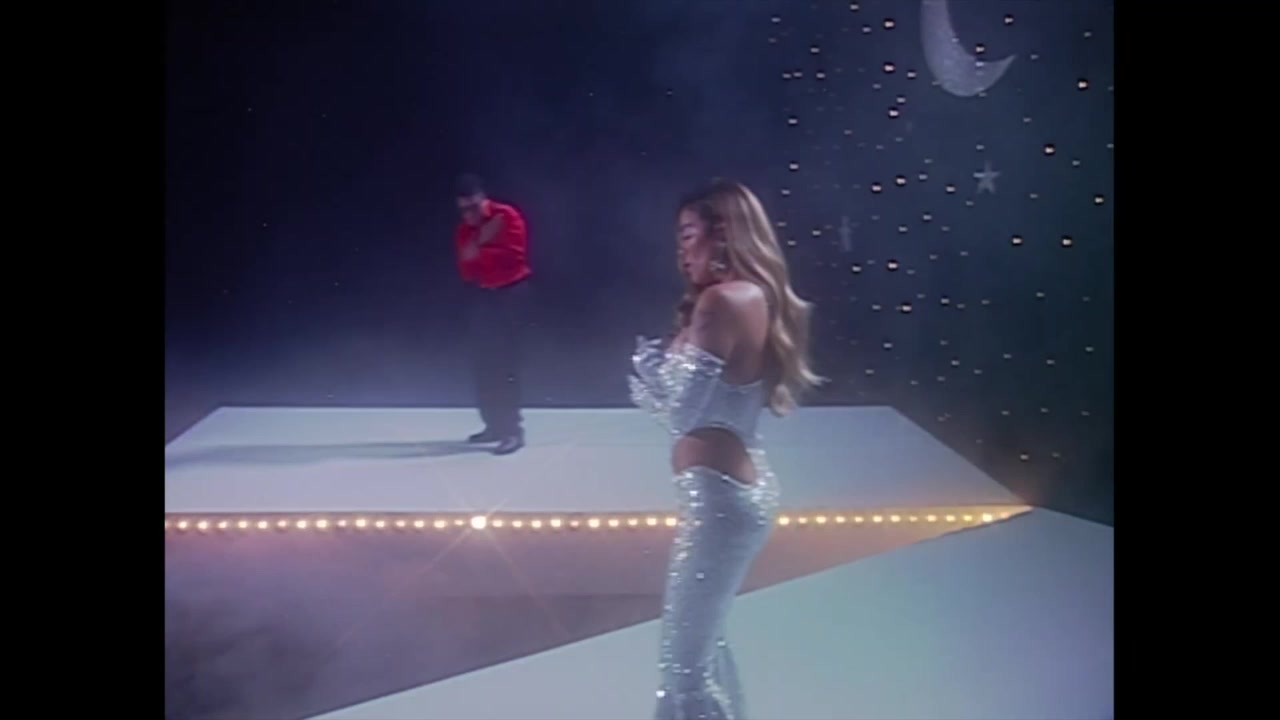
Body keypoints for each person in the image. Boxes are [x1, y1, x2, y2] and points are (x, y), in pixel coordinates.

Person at [630, 180, 822, 718]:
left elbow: (682, 414)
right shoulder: (752, 296)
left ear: (723, 233)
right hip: (732, 493)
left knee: (683, 670)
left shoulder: (721, 302)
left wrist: (647, 375)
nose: (681, 250)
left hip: (720, 505)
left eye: (688, 234)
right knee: (702, 647)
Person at [454, 173, 532, 455]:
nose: (469, 214)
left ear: (482, 199)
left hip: (511, 294)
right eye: (463, 210)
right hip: (484, 296)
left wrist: (479, 248)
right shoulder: (465, 230)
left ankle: (513, 431)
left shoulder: (507, 216)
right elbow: (466, 270)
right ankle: (494, 425)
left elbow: (513, 257)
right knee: (483, 363)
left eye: (473, 207)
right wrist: (482, 242)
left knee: (506, 363)